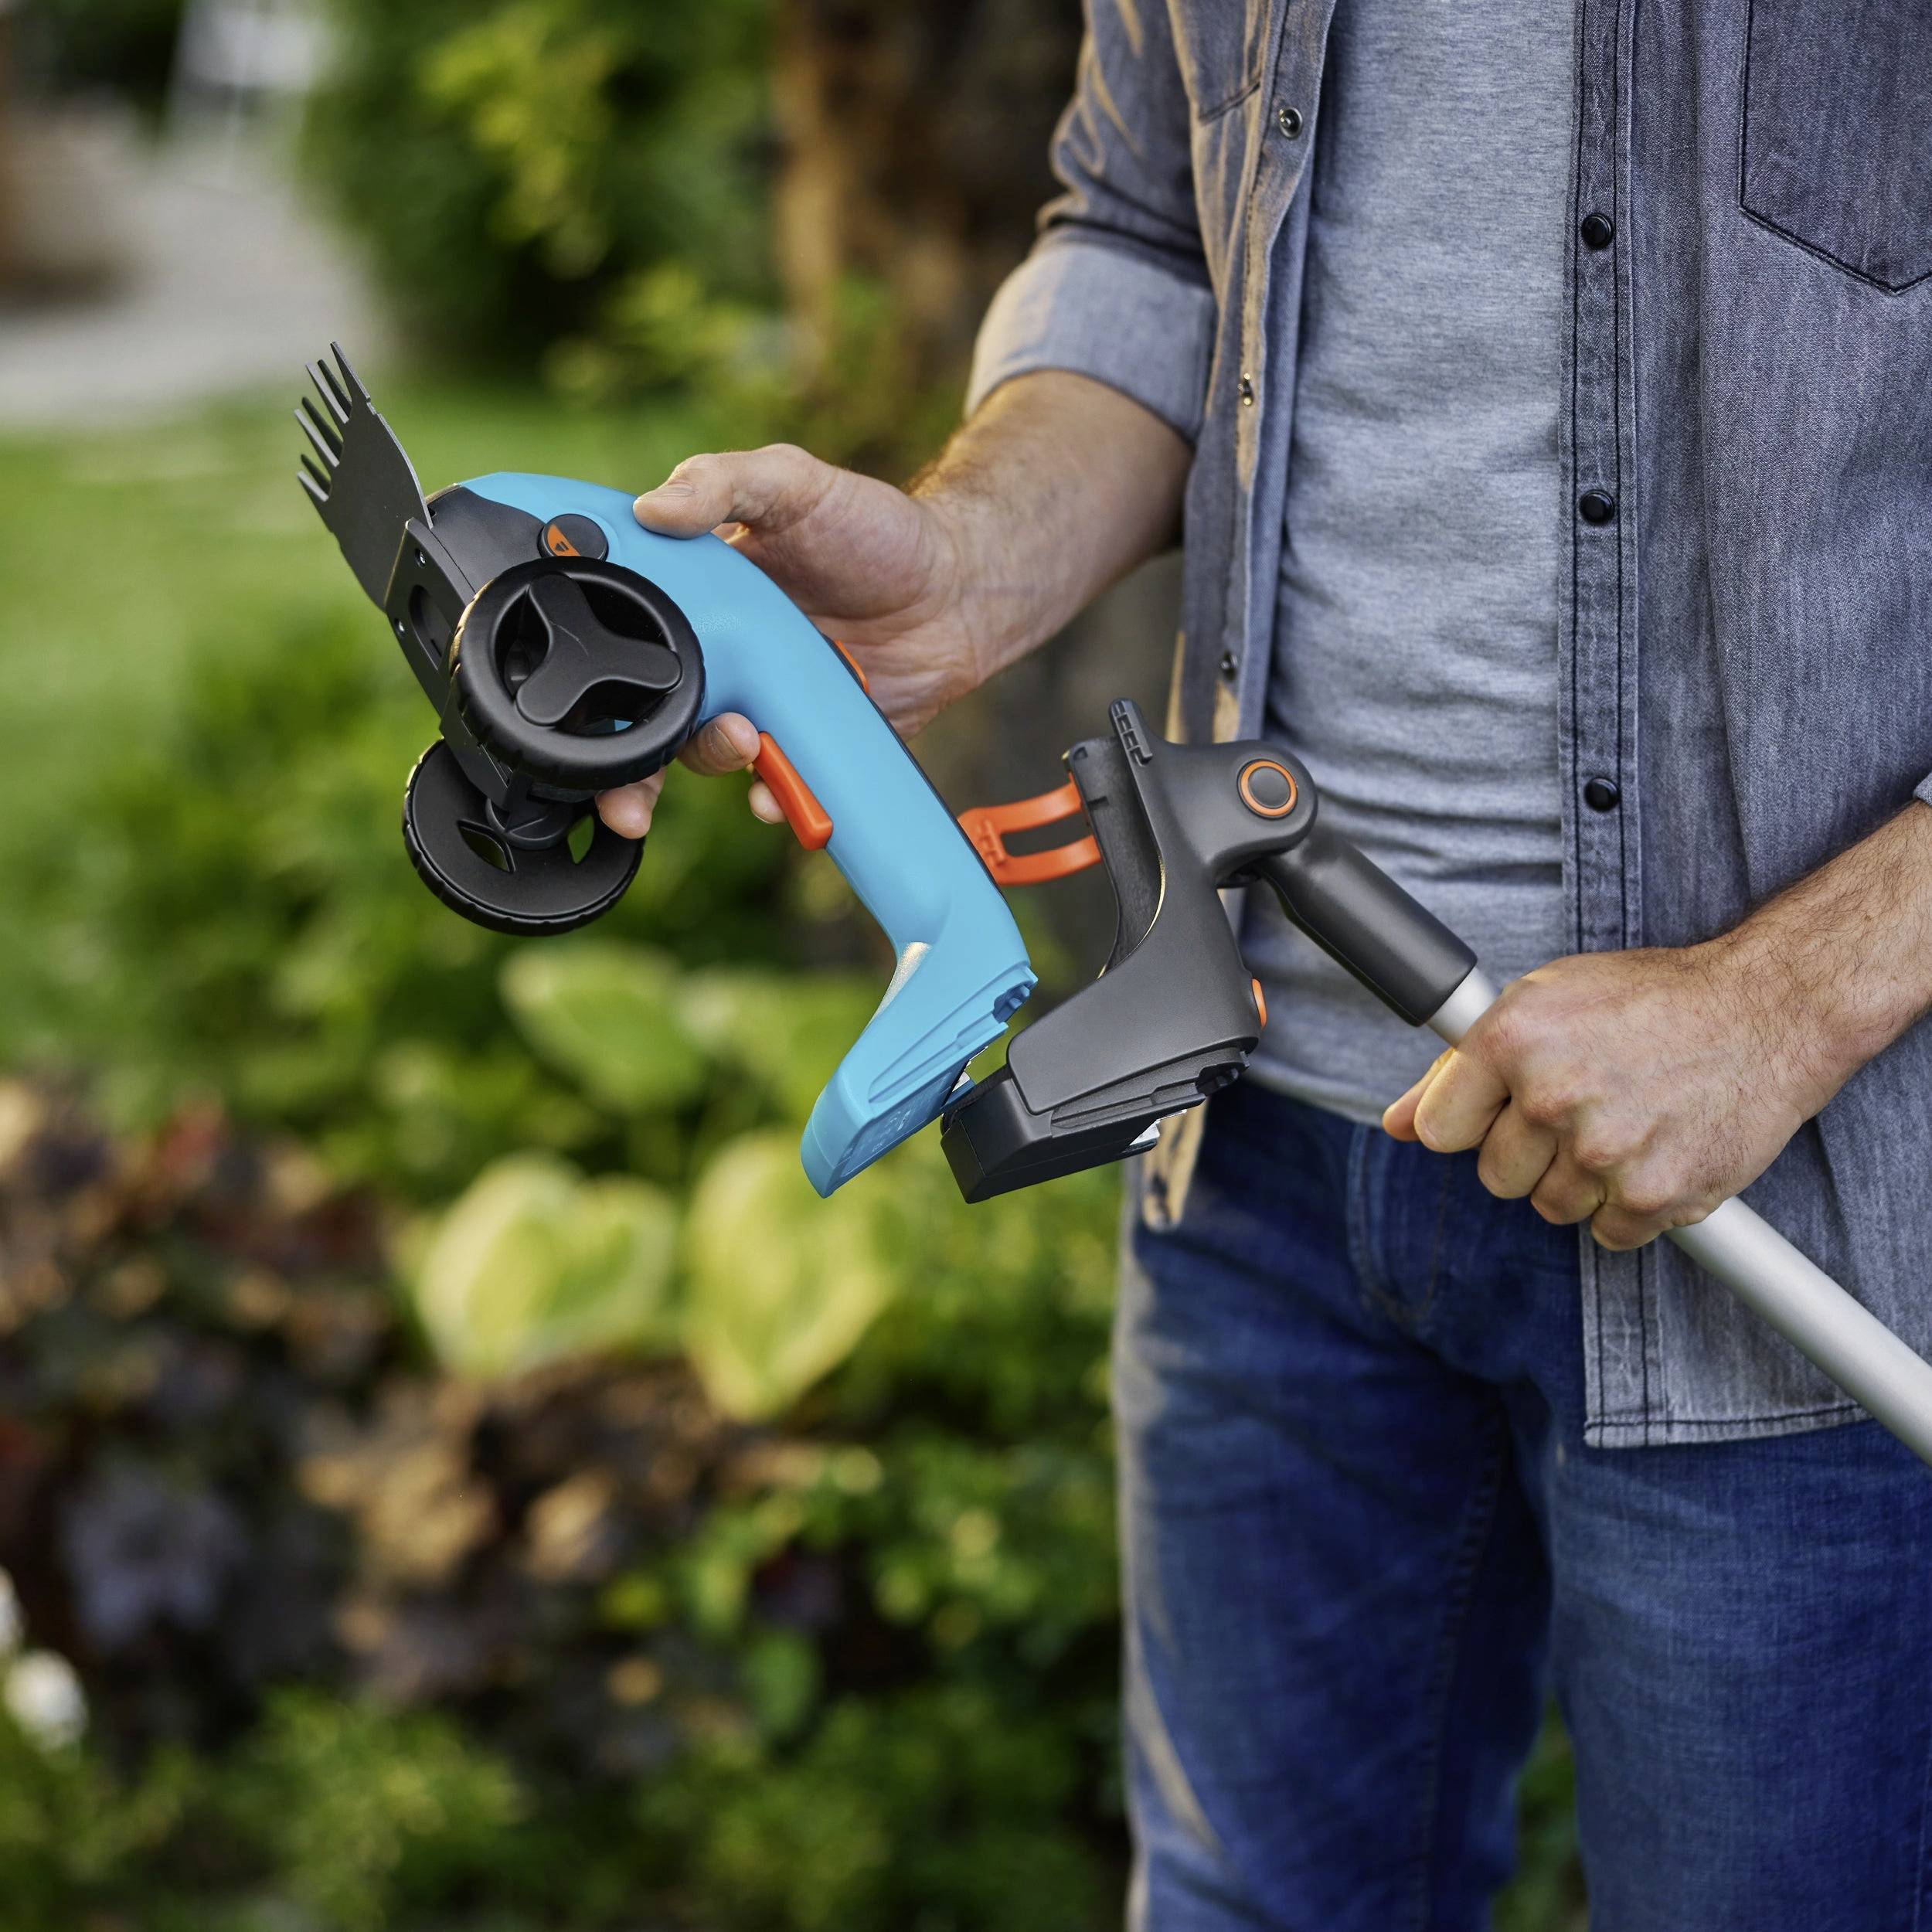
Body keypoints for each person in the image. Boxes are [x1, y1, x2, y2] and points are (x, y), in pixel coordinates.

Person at [597, 5, 1932, 1926]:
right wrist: (965, 555)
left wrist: (1779, 1001)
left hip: (1797, 1215)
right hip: (1265, 1172)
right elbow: (1145, 237)